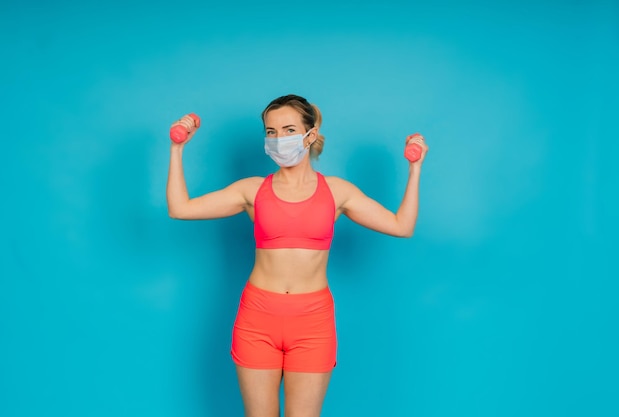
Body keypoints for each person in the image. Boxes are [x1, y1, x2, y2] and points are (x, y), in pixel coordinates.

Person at [166, 94, 428, 417]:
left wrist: (415, 169)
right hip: (257, 319)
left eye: (289, 130)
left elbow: (402, 226)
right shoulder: (252, 190)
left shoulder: (336, 192)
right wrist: (177, 149)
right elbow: (180, 208)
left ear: (310, 135)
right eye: (271, 132)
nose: (279, 139)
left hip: (312, 322)